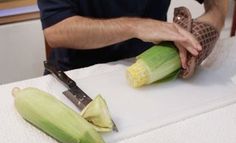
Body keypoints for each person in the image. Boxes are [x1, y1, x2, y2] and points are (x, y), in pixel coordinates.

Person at [38, 0, 227, 72]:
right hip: (78, 76)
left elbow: (218, 7)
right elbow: (56, 32)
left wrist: (199, 39)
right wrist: (135, 26)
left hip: (147, 69)